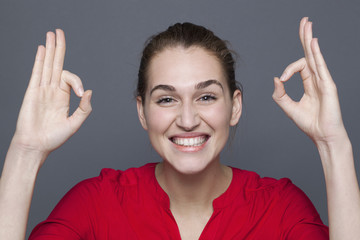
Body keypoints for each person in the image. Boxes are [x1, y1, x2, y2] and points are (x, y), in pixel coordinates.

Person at [0, 17, 359, 240]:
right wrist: (25, 153)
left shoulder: (280, 209)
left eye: (206, 97)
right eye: (167, 99)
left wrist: (333, 144)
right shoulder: (96, 204)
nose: (187, 120)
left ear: (234, 106)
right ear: (142, 111)